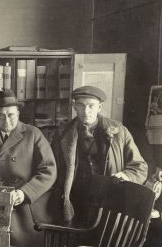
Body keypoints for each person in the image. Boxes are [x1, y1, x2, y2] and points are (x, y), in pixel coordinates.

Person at [52, 85, 148, 225]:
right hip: (74, 201)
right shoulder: (62, 134)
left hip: (110, 203)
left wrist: (126, 175)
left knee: (104, 242)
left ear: (100, 107)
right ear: (74, 106)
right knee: (75, 243)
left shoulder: (119, 131)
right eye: (81, 105)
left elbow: (140, 167)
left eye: (91, 106)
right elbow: (52, 169)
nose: (86, 111)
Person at [0, 89, 57, 247]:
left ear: (18, 113)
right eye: (1, 115)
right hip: (1, 205)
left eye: (11, 115)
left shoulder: (33, 134)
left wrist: (24, 193)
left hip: (29, 206)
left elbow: (49, 170)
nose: (6, 120)